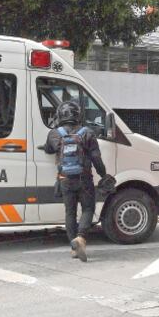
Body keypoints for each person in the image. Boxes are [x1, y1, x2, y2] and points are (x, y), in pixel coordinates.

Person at [44, 101, 111, 262]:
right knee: (88, 209)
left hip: (65, 179)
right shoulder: (87, 132)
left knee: (70, 212)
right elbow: (96, 158)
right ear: (78, 115)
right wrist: (104, 175)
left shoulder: (54, 133)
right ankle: (81, 238)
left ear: (60, 116)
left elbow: (48, 149)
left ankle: (74, 248)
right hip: (84, 179)